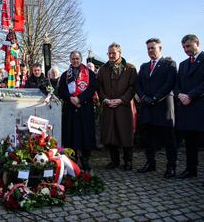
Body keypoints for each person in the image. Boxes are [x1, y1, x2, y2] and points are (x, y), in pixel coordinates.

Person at [176, 34, 204, 188]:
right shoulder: (183, 64)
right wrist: (180, 94)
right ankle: (190, 169)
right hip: (186, 108)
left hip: (203, 109)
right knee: (190, 143)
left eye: (188, 46)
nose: (186, 50)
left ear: (197, 43)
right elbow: (177, 84)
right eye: (183, 47)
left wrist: (190, 96)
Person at [136, 38, 177, 178]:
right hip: (147, 107)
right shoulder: (144, 66)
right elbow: (138, 84)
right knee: (148, 138)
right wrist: (142, 97)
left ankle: (171, 166)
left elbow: (169, 83)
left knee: (168, 139)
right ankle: (150, 163)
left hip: (163, 106)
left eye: (152, 48)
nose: (150, 51)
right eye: (148, 48)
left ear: (160, 48)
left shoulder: (169, 63)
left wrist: (155, 98)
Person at [97, 43, 137, 171]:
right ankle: (114, 161)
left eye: (113, 53)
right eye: (109, 53)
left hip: (124, 106)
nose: (111, 55)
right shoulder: (102, 69)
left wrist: (121, 100)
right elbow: (99, 87)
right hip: (108, 106)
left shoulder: (130, 68)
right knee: (111, 134)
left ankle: (128, 161)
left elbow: (132, 87)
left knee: (125, 134)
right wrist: (106, 100)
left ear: (120, 53)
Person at [58, 51, 97, 171]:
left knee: (86, 134)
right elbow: (61, 90)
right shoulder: (65, 75)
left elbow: (92, 88)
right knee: (71, 134)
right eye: (73, 59)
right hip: (70, 109)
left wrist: (80, 98)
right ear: (70, 60)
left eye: (77, 58)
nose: (75, 61)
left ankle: (85, 159)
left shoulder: (89, 73)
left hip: (84, 108)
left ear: (81, 59)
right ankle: (72, 158)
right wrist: (70, 98)